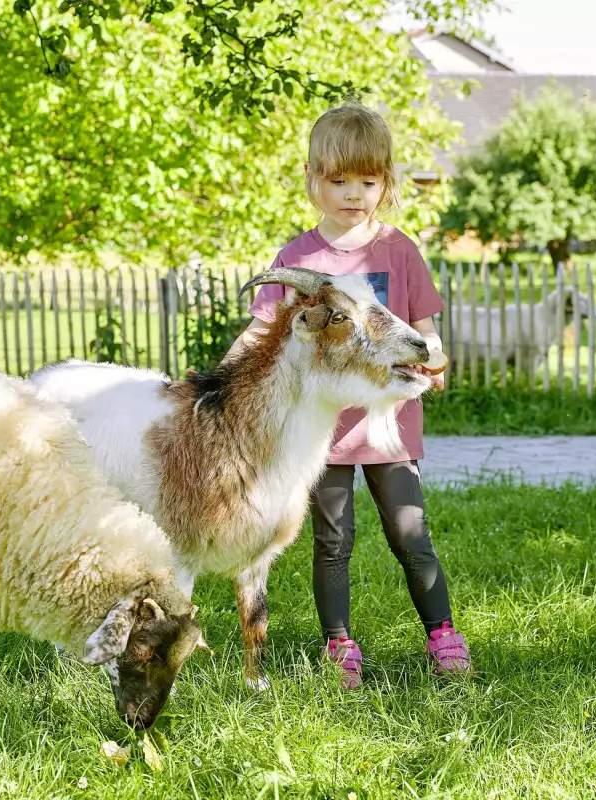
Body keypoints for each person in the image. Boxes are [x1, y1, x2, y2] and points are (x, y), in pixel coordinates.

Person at [222, 99, 471, 688]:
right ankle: (340, 645)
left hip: (390, 427)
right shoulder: (298, 259)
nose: (354, 193)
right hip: (321, 434)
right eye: (338, 181)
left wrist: (436, 359)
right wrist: (225, 377)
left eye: (368, 180)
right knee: (332, 540)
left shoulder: (399, 251)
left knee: (411, 535)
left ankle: (443, 636)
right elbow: (265, 331)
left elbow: (426, 333)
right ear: (312, 180)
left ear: (385, 181)